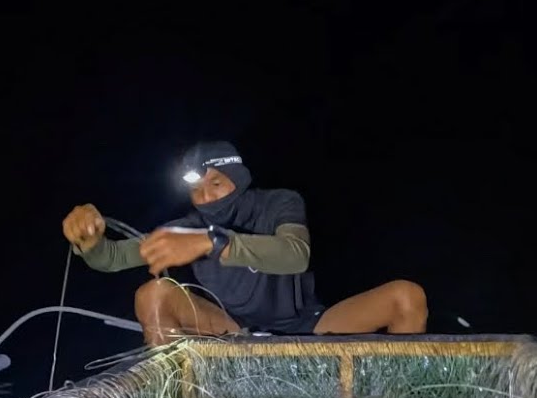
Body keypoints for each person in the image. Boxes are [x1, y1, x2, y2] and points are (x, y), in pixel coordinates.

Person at [62, 141, 427, 346]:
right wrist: (90, 240)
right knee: (153, 293)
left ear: (238, 179)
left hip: (309, 325)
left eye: (216, 184)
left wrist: (211, 243)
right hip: (233, 329)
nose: (206, 197)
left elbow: (295, 255)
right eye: (196, 191)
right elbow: (111, 258)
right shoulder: (186, 226)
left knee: (406, 296)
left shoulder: (280, 202)